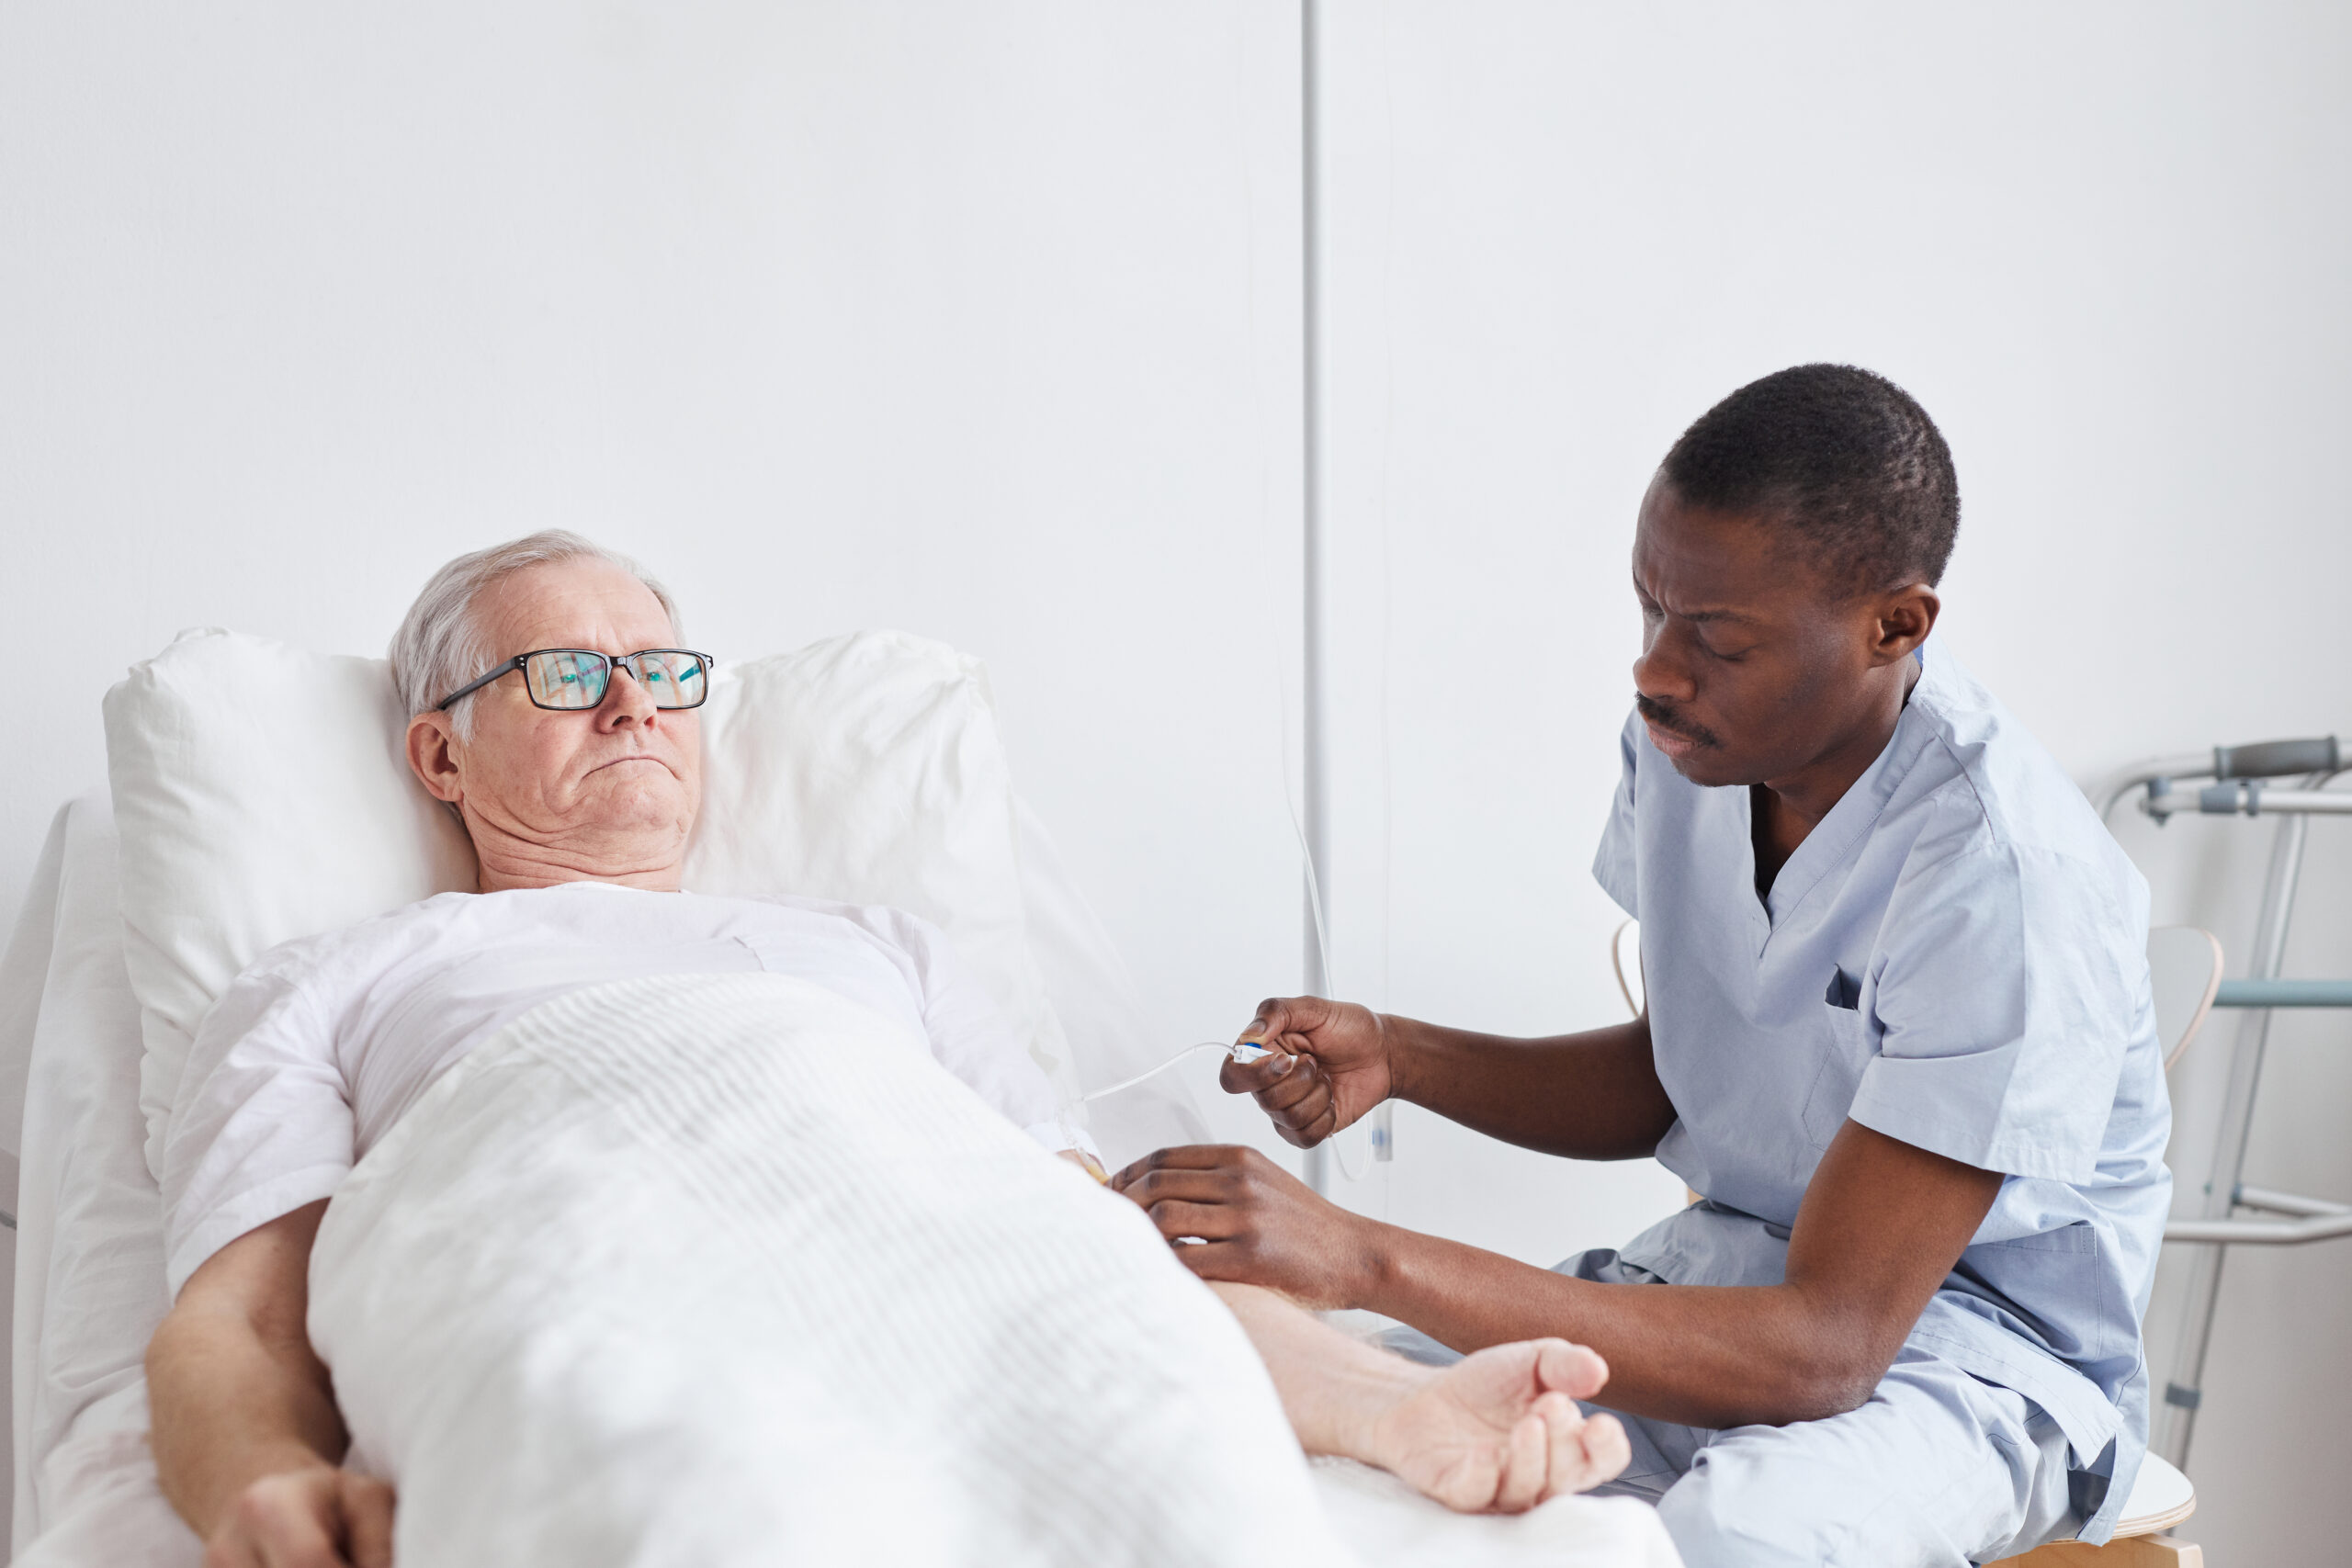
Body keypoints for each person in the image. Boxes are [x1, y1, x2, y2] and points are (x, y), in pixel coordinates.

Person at [143, 532, 1630, 1568]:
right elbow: (242, 1323)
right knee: (650, 1480)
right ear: (439, 755)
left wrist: (1377, 1402)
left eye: (664, 673)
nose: (632, 707)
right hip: (575, 1248)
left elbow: (1080, 1250)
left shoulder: (876, 949)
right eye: (564, 675)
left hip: (917, 1228)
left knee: (1147, 1447)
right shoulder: (341, 977)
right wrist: (263, 1483)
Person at [1112, 365, 2173, 1568]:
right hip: (1722, 1286)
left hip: (1964, 1355)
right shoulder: (1690, 748)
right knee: (1309, 1412)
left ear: (1897, 624)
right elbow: (1692, 1072)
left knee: (1745, 1538)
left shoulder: (2006, 880)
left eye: (1717, 638)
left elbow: (1829, 1347)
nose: (1656, 672)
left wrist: (1367, 1255)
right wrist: (1400, 1057)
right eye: (1650, 611)